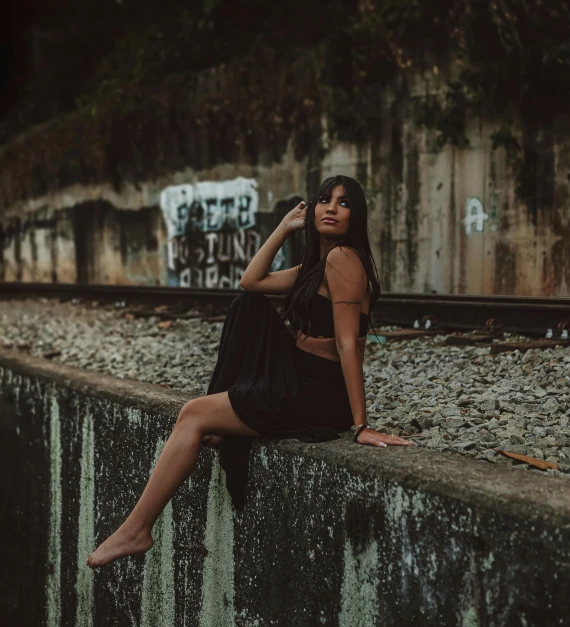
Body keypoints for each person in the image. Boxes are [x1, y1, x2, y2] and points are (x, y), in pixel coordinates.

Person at [87, 175, 414, 569]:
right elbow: (251, 280)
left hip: (318, 392)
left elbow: (348, 345)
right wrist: (284, 227)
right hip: (297, 375)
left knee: (193, 413)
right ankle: (216, 433)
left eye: (343, 203)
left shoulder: (344, 259)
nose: (330, 208)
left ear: (355, 216)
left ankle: (137, 530)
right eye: (324, 199)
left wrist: (360, 425)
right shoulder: (316, 265)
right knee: (248, 304)